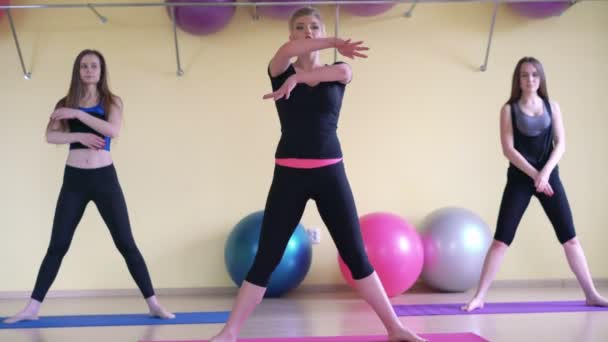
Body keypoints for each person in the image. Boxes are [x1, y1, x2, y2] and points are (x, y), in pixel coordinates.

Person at [209, 7, 426, 342]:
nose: (307, 32)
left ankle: (395, 329)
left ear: (321, 32)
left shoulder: (340, 69)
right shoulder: (279, 69)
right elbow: (285, 54)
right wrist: (310, 60)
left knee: (356, 255)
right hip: (288, 176)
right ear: (291, 35)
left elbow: (337, 74)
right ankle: (230, 332)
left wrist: (301, 78)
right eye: (300, 28)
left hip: (330, 175)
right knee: (266, 257)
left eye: (314, 26)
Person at [3, 49, 174, 324]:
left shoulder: (111, 102)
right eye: (84, 66)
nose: (89, 70)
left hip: (104, 178)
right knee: (58, 244)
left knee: (126, 243)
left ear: (101, 71)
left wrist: (78, 115)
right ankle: (31, 308)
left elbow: (112, 131)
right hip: (74, 180)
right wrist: (79, 132)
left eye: (94, 66)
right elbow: (50, 135)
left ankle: (154, 304)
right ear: (78, 71)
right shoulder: (66, 101)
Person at [462, 56, 608, 312]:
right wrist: (534, 175)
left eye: (534, 75)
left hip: (549, 178)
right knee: (501, 240)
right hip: (520, 179)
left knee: (570, 239)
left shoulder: (553, 106)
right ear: (518, 80)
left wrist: (545, 174)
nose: (530, 79)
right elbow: (508, 150)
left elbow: (561, 144)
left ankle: (591, 294)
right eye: (524, 75)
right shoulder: (508, 109)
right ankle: (480, 297)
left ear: (541, 79)